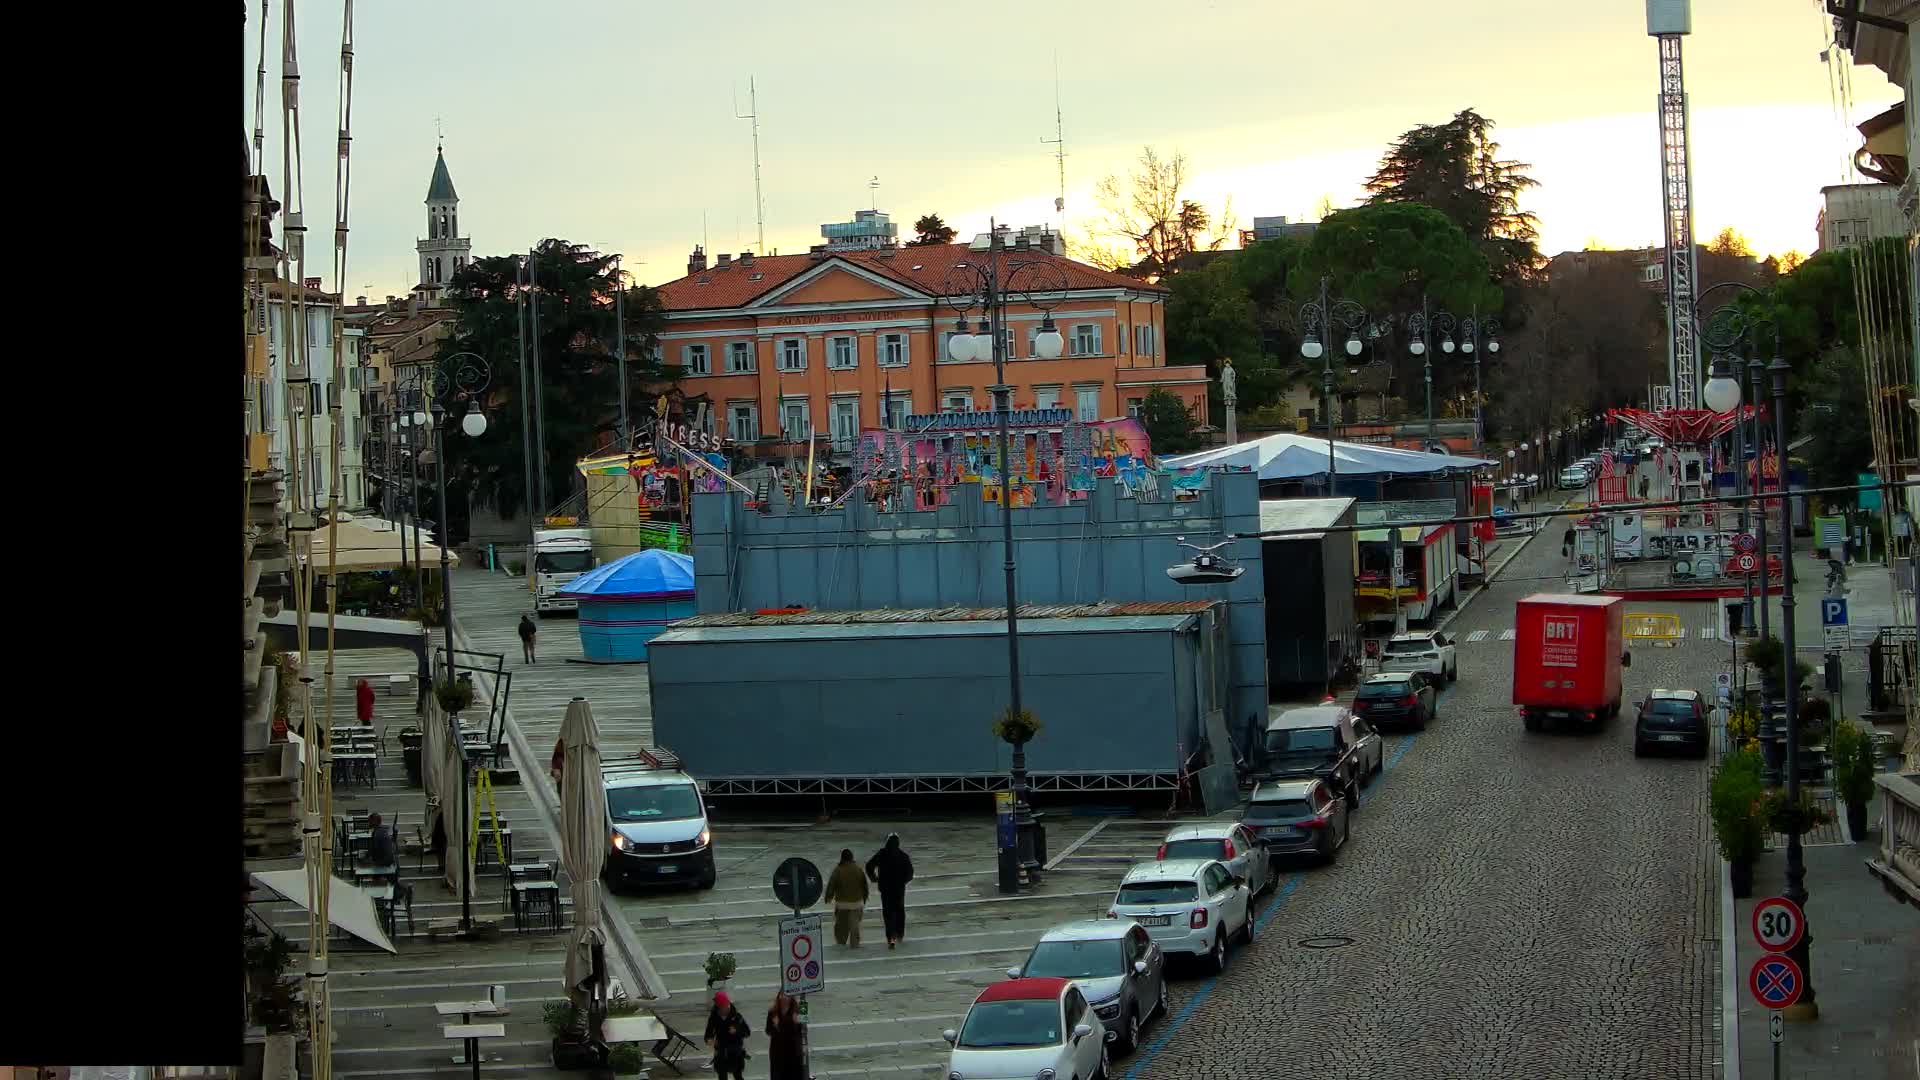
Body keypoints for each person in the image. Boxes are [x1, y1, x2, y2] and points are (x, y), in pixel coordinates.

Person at [866, 834, 915, 949]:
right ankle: (899, 934)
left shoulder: (882, 854)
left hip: (886, 889)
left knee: (888, 914)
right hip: (898, 889)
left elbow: (869, 866)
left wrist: (874, 878)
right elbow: (910, 874)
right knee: (899, 912)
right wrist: (903, 881)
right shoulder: (903, 856)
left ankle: (891, 938)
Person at [823, 848, 868, 948]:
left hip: (842, 905)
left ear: (842, 858)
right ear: (852, 858)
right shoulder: (858, 869)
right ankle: (854, 949)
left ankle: (841, 948)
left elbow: (831, 884)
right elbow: (864, 885)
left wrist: (828, 897)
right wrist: (865, 897)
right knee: (854, 929)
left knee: (841, 931)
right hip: (856, 904)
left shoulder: (838, 870)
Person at [704, 991, 751, 1080]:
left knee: (738, 1076)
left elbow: (747, 1032)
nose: (721, 1009)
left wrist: (737, 1031)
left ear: (727, 1003)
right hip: (721, 1051)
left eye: (723, 1006)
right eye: (719, 1006)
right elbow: (708, 1032)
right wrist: (709, 1039)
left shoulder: (737, 1017)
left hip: (735, 1052)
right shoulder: (714, 1017)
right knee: (722, 1076)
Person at [765, 992, 804, 1080]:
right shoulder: (773, 1012)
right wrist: (776, 1026)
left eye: (787, 995)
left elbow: (803, 1031)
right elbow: (768, 1030)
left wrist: (797, 1023)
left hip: (793, 1052)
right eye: (782, 995)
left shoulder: (798, 1010)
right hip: (778, 1053)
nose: (784, 997)